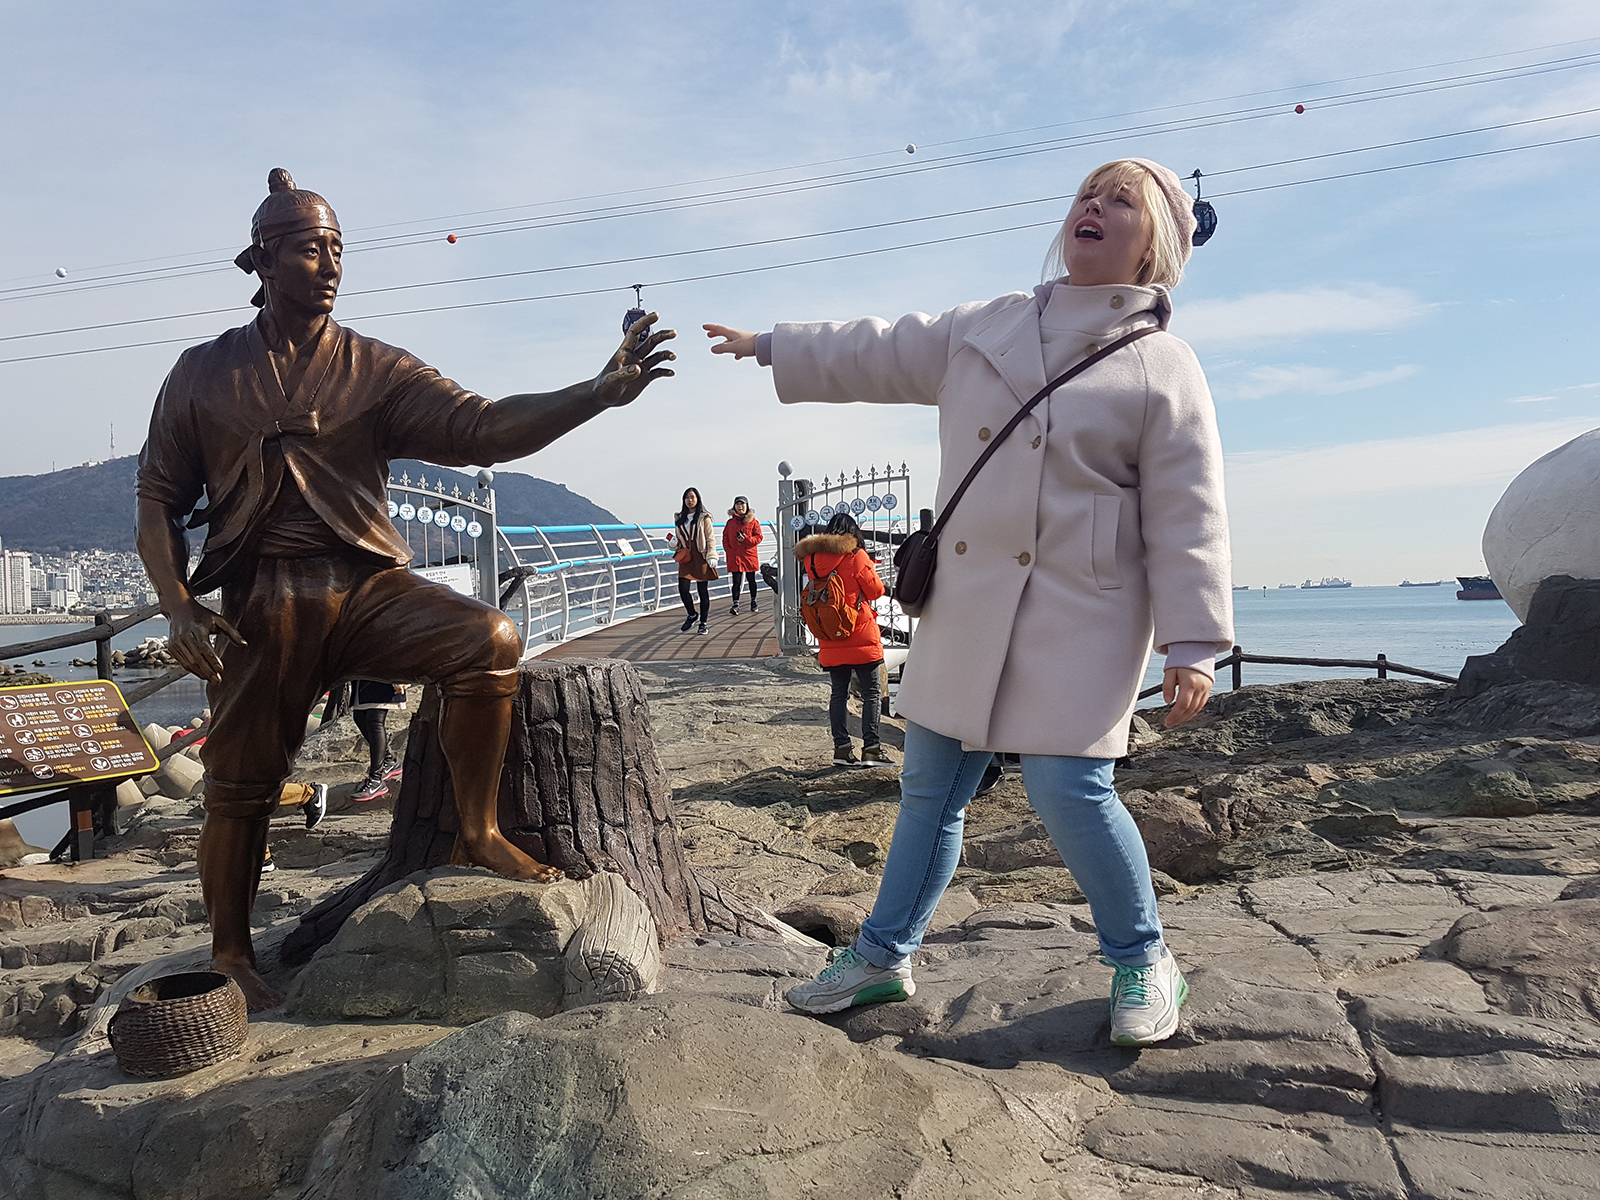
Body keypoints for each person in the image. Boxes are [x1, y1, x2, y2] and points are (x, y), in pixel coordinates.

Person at [704, 158, 1232, 1047]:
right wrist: (771, 345)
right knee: (930, 783)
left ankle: (1145, 958)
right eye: (1085, 196)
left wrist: (1194, 644)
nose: (1092, 209)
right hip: (975, 593)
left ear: (1159, 245)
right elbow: (879, 346)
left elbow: (1189, 512)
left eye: (1120, 202)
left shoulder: (1162, 364)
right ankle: (881, 958)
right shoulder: (988, 324)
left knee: (1071, 786)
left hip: (1087, 604)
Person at [136, 169, 674, 1008]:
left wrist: (594, 395)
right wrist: (177, 604)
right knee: (239, 784)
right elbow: (157, 500)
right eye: (311, 248)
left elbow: (483, 427)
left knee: (488, 640)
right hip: (260, 603)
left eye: (338, 250)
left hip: (365, 590)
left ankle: (476, 829)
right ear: (263, 261)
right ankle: (232, 950)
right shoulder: (201, 373)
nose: (330, 265)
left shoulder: (372, 368)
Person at [798, 512, 892, 767]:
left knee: (838, 694)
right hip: (859, 631)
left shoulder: (813, 560)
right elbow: (875, 590)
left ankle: (842, 750)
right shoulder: (855, 556)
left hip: (830, 634)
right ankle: (871, 749)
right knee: (872, 692)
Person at [349, 681, 408, 802]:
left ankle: (376, 779)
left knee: (375, 721)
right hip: (364, 679)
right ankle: (388, 760)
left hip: (383, 677)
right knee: (360, 717)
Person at [674, 487, 717, 634]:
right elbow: (679, 538)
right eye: (687, 497)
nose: (690, 500)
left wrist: (712, 555)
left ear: (698, 499)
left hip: (700, 554)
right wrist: (675, 544)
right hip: (686, 555)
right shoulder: (680, 518)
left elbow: (710, 538)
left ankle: (703, 623)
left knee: (702, 590)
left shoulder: (704, 518)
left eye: (692, 497)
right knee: (683, 588)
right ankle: (692, 614)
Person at [723, 496, 764, 615]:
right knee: (736, 581)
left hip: (749, 554)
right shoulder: (730, 522)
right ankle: (735, 604)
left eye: (742, 504)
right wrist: (728, 550)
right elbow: (725, 537)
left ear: (747, 506)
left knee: (751, 579)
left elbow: (759, 537)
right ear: (734, 507)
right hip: (735, 554)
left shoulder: (753, 522)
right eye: (738, 504)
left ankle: (753, 601)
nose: (740, 507)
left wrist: (746, 539)